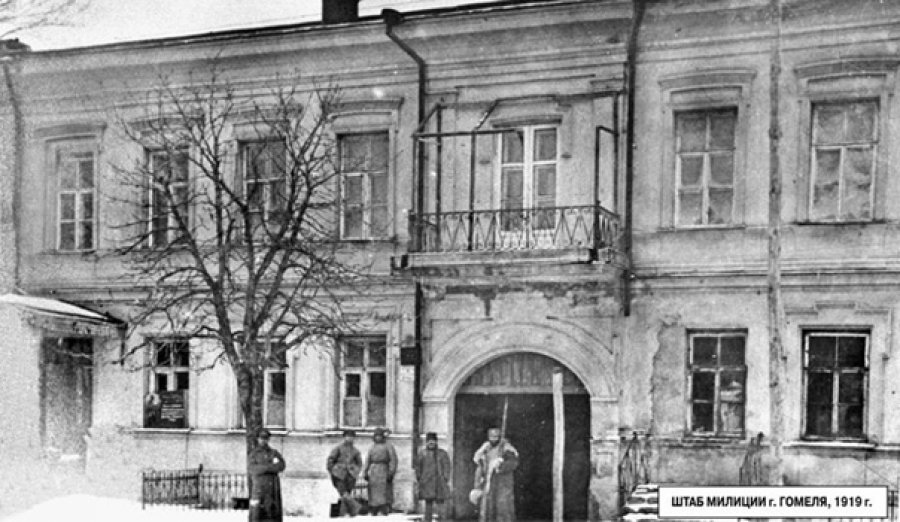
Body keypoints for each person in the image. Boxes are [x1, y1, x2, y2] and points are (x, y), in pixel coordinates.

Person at [473, 427, 519, 522]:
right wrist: (477, 485)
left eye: (496, 437)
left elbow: (513, 463)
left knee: (503, 509)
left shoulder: (507, 449)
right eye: (491, 437)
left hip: (502, 485)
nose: (494, 439)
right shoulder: (485, 449)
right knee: (487, 509)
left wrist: (501, 465)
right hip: (488, 485)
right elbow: (480, 466)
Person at [248, 428, 286, 522]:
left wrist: (264, 468)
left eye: (265, 438)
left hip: (272, 489)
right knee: (257, 515)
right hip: (259, 489)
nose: (263, 441)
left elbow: (281, 466)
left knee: (272, 514)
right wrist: (269, 467)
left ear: (268, 439)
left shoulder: (274, 453)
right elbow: (252, 469)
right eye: (261, 438)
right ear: (258, 439)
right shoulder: (254, 454)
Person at [415, 432, 452, 522]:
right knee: (428, 505)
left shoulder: (442, 454)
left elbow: (447, 466)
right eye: (429, 441)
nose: (431, 443)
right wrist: (420, 478)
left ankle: (442, 520)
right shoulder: (422, 454)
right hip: (427, 483)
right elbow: (418, 468)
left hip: (440, 483)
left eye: (433, 441)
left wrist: (445, 477)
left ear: (436, 442)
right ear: (426, 442)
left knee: (441, 505)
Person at [328, 429, 363, 516]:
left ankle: (343, 513)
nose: (349, 438)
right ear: (344, 437)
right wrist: (333, 470)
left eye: (351, 437)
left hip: (350, 476)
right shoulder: (338, 448)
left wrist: (355, 471)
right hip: (339, 475)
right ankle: (356, 507)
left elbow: (359, 463)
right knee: (343, 492)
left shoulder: (355, 451)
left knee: (346, 494)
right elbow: (331, 460)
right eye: (347, 436)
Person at [365, 427, 398, 515]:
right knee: (373, 491)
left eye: (379, 436)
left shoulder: (388, 446)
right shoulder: (372, 447)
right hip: (374, 471)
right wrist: (365, 472)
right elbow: (367, 460)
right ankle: (374, 508)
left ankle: (384, 508)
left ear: (383, 437)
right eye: (376, 436)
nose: (378, 438)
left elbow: (393, 460)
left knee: (384, 491)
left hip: (384, 470)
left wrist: (391, 472)